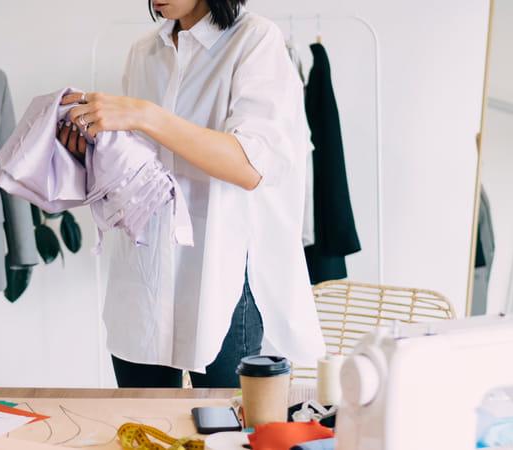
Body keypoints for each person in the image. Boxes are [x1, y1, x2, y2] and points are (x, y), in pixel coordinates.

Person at [58, 0, 323, 388]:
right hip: (144, 274)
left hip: (222, 276)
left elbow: (249, 167)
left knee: (228, 433)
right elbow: (139, 168)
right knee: (143, 431)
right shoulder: (144, 51)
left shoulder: (254, 40)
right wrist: (92, 150)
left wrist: (145, 115)